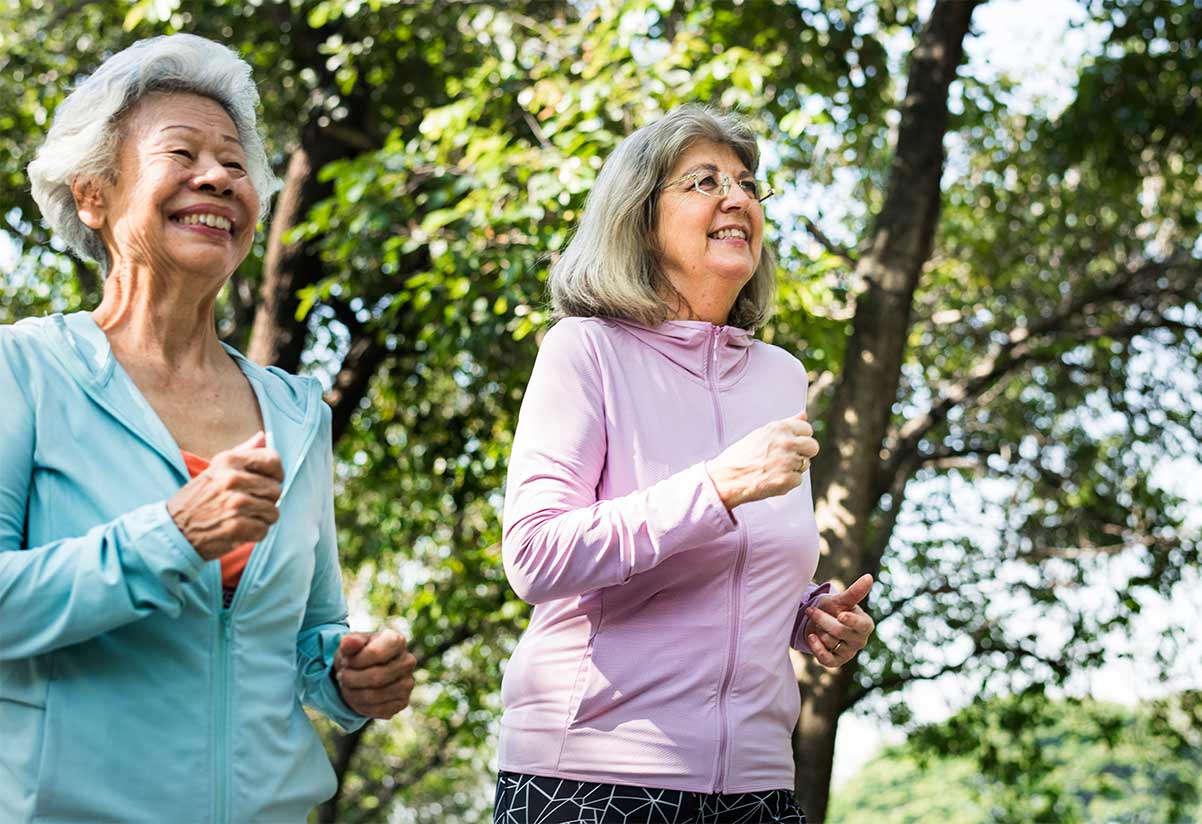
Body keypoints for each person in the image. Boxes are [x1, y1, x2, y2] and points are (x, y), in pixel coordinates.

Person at [1, 34, 416, 823]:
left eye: (235, 162)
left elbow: (308, 633)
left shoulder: (296, 412)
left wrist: (347, 676)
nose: (219, 177)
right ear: (94, 195)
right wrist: (171, 534)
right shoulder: (22, 373)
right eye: (183, 151)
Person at [494, 106, 877, 823]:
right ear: (641, 219)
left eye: (746, 183)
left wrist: (807, 616)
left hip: (757, 786)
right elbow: (535, 555)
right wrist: (718, 484)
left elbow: (735, 568)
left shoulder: (780, 378)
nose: (736, 198)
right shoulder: (586, 350)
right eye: (703, 181)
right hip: (594, 776)